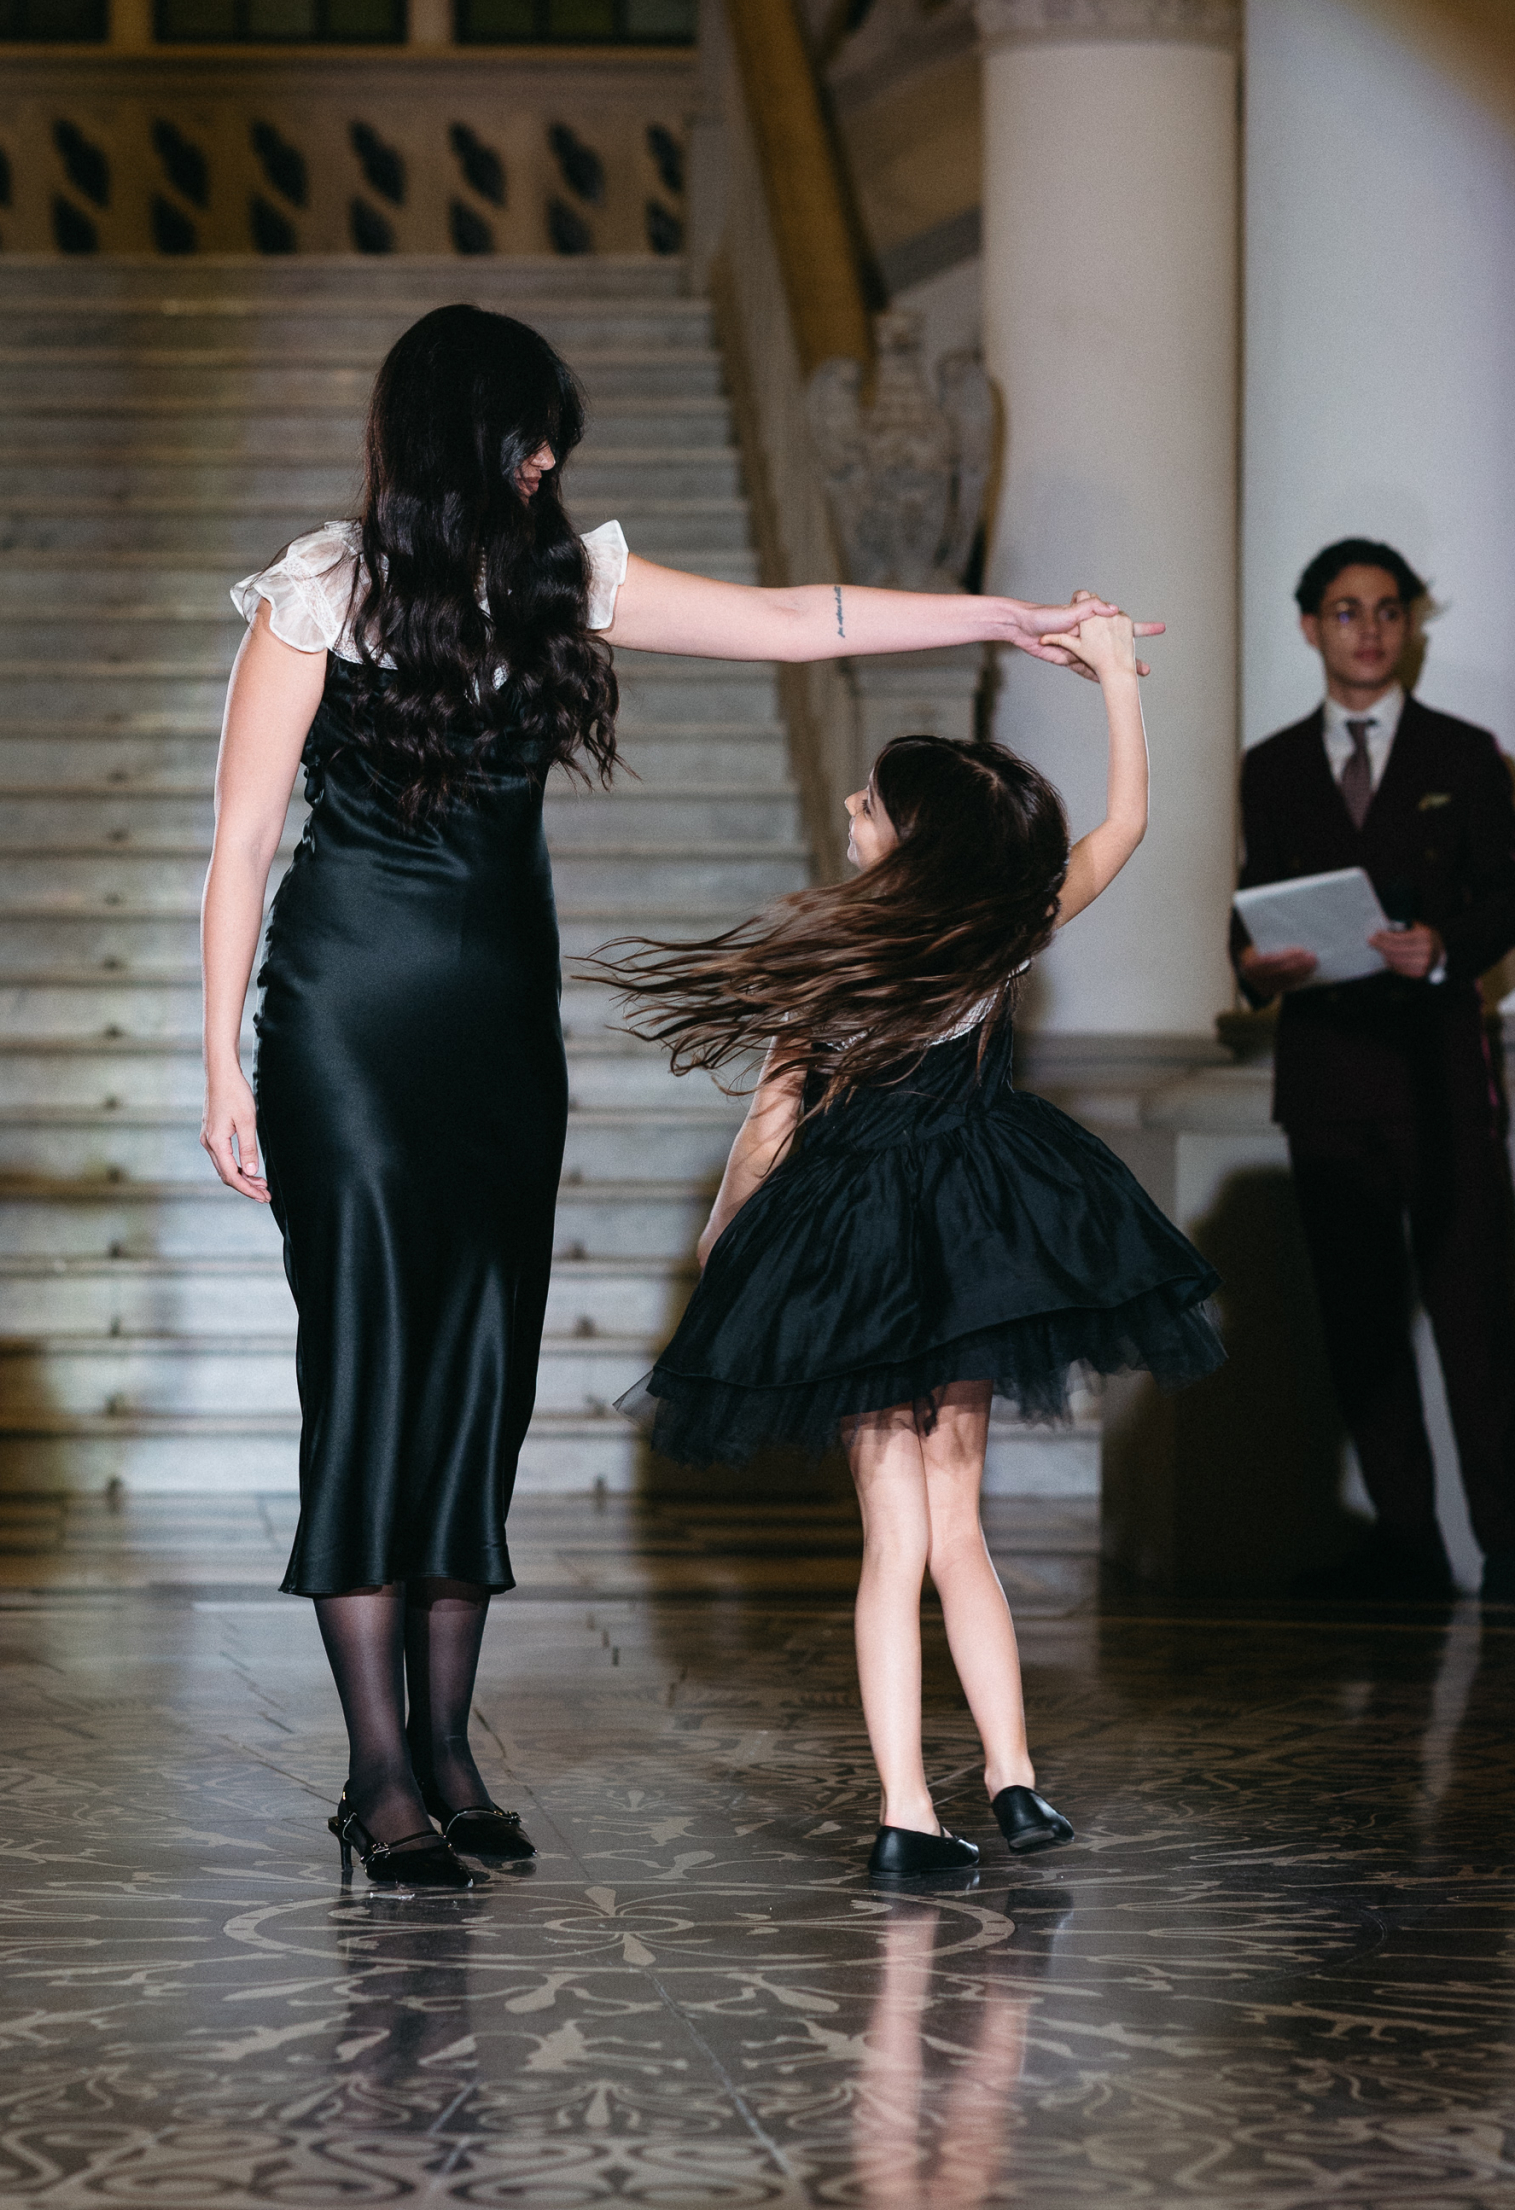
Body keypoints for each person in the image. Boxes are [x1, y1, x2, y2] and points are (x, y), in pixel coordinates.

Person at [201, 303, 1158, 1894]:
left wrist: (1002, 616)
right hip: (343, 1026)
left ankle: (448, 1752)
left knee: (483, 1375)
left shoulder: (565, 583)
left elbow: (795, 618)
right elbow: (239, 842)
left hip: (503, 1030)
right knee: (369, 1367)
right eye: (530, 437)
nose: (548, 463)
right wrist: (215, 1063)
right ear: (465, 438)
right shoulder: (318, 594)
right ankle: (378, 1778)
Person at [594, 609, 1222, 1880]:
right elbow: (1127, 824)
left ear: (910, 839)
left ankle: (911, 1809)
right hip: (973, 1240)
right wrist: (1115, 678)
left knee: (898, 1545)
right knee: (959, 1531)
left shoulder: (834, 956)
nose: (850, 804)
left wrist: (726, 1242)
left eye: (871, 803)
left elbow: (770, 1126)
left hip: (863, 1256)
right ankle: (1010, 1779)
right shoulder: (1000, 930)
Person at [1233, 538, 1515, 1604]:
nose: (1370, 630)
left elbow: (1507, 893)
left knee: (1476, 1317)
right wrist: (1252, 964)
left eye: (1388, 610)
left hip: (1440, 1078)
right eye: (1347, 611)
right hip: (1327, 1080)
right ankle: (1406, 1545)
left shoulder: (1463, 753)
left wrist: (1442, 946)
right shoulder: (1271, 766)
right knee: (1358, 1323)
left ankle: (1505, 1544)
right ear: (1311, 626)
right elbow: (1252, 903)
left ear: (1409, 625)